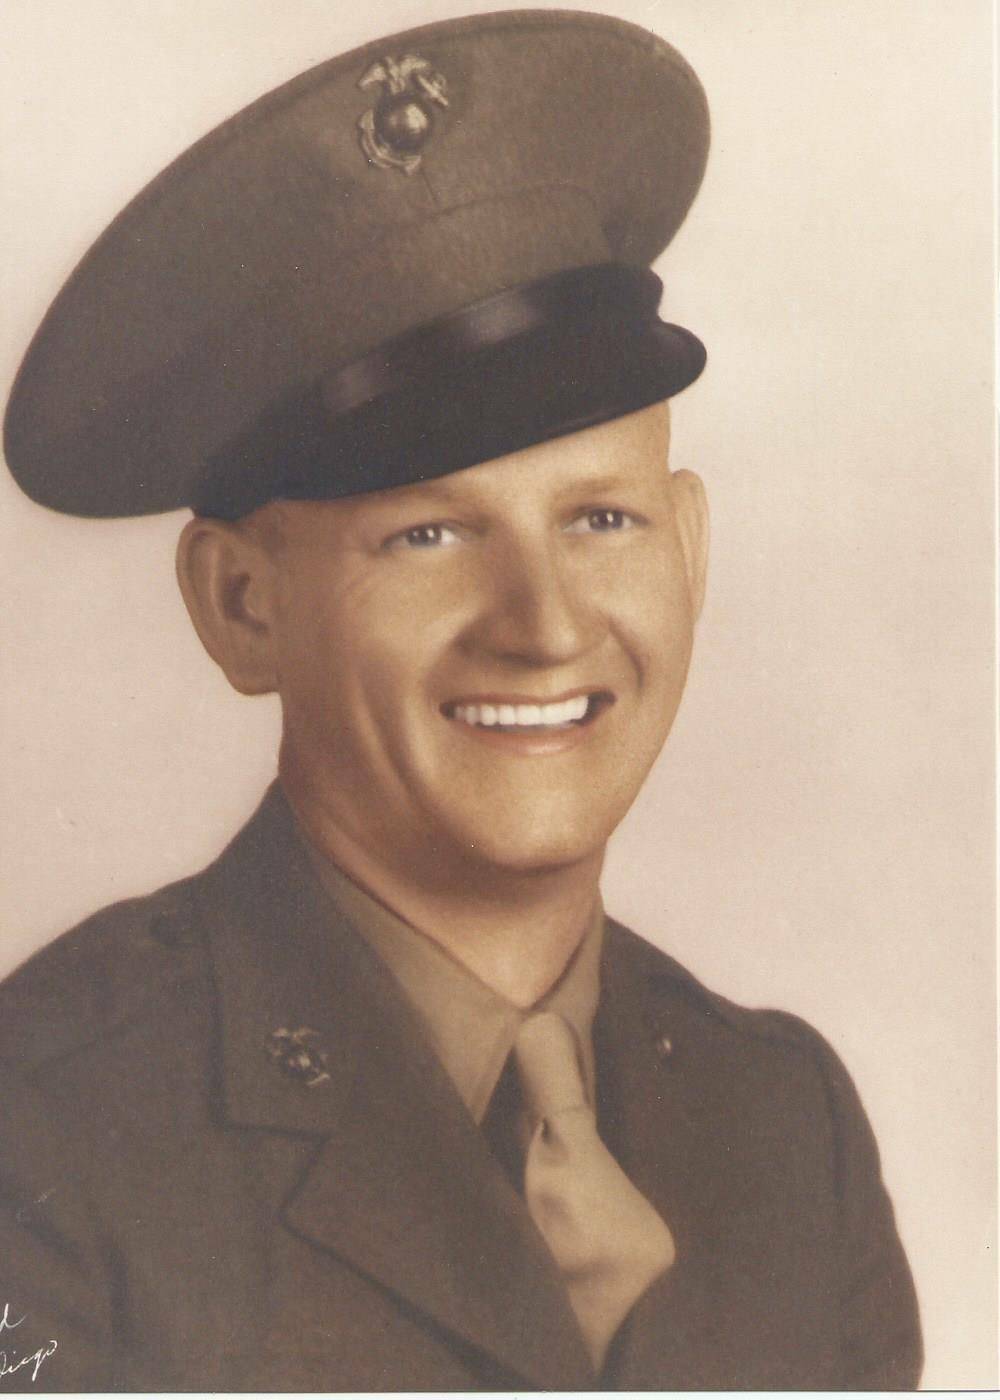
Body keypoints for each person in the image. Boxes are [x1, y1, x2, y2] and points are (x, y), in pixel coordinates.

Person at [0, 9, 921, 1391]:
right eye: (427, 535)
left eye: (601, 519)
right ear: (244, 606)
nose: (545, 627)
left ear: (689, 551)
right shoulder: (51, 1134)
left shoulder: (790, 1133)